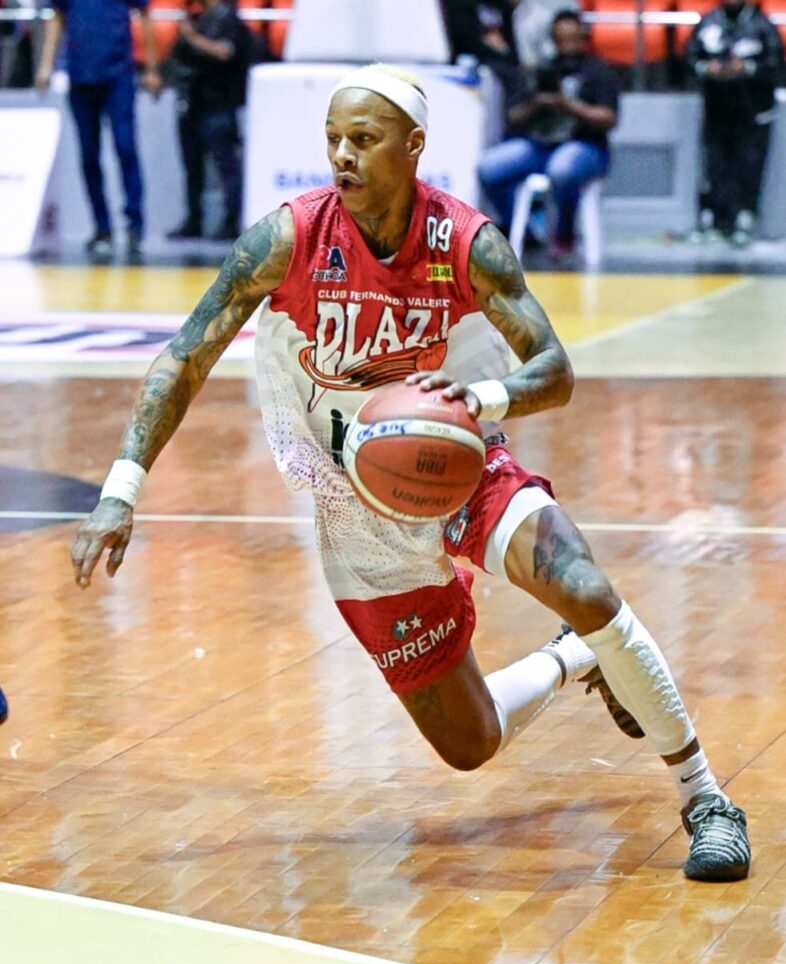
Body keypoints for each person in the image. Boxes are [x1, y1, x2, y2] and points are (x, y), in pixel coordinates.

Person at [71, 63, 750, 883]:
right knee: (469, 744)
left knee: (586, 586)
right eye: (333, 139)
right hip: (357, 508)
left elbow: (555, 371)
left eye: (363, 139)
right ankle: (574, 658)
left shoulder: (466, 241)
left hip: (457, 467)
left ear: (415, 145)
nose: (342, 155)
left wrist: (483, 396)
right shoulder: (285, 239)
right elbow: (185, 358)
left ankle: (707, 799)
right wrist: (121, 490)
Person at [477, 9, 619, 258]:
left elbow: (609, 118)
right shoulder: (541, 70)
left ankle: (564, 233)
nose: (567, 45)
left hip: (586, 146)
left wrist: (569, 105)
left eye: (572, 38)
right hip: (540, 145)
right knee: (489, 168)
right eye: (561, 39)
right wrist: (537, 104)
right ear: (553, 39)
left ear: (583, 36)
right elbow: (514, 117)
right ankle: (526, 231)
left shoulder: (599, 70)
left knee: (562, 169)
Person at [35, 0, 162, 257]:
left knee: (126, 147)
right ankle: (101, 227)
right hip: (81, 75)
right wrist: (46, 64)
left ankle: (135, 225)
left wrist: (151, 68)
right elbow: (57, 17)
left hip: (118, 75)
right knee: (89, 155)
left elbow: (145, 15)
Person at [685, 0, 784, 248]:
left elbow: (775, 64)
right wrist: (706, 68)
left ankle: (744, 219)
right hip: (717, 110)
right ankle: (715, 221)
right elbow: (688, 58)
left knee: (748, 165)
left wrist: (748, 68)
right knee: (714, 165)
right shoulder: (708, 23)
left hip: (753, 111)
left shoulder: (762, 26)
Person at [166, 0, 252, 242]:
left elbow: (224, 52)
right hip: (193, 104)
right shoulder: (197, 19)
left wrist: (193, 38)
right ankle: (194, 219)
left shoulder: (229, 20)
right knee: (192, 168)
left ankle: (231, 221)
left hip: (219, 105)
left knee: (226, 167)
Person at [442, 0, 524, 101]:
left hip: (499, 57)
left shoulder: (501, 6)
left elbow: (509, 38)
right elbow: (466, 38)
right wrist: (495, 52)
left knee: (518, 75)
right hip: (471, 57)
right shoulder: (459, 5)